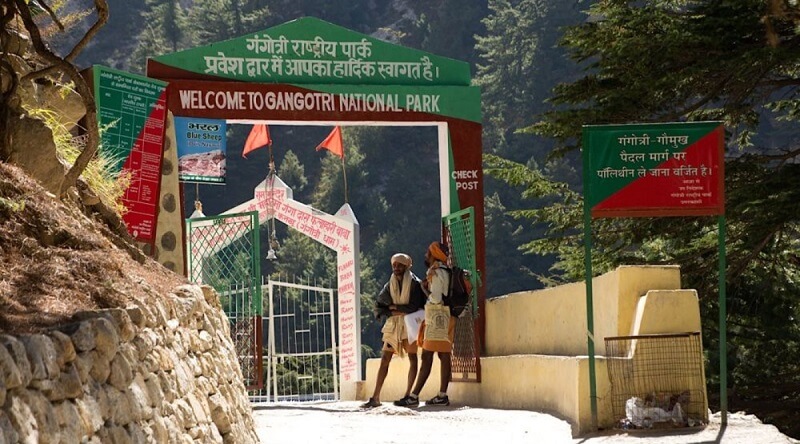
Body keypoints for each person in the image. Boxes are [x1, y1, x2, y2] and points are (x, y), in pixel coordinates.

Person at [361, 253, 427, 409]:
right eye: (394, 265)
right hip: (393, 326)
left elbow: (413, 307)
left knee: (413, 358)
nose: (396, 268)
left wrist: (393, 307)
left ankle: (409, 395)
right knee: (385, 358)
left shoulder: (415, 284)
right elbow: (379, 306)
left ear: (406, 267)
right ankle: (375, 397)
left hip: (410, 325)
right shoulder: (389, 285)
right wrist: (396, 310)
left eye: (399, 265)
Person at [395, 241, 454, 407]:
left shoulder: (436, 273)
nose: (426, 255)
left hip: (437, 317)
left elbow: (435, 298)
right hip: (448, 316)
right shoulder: (446, 271)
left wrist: (424, 288)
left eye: (428, 252)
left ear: (434, 255)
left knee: (427, 356)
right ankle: (442, 395)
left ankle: (413, 396)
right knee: (444, 355)